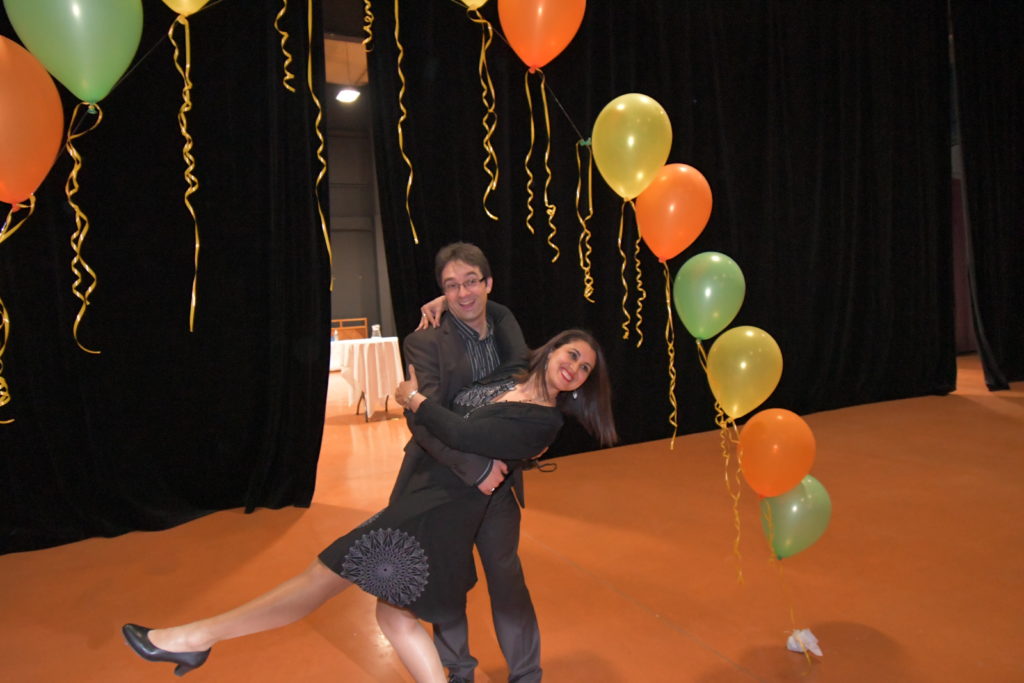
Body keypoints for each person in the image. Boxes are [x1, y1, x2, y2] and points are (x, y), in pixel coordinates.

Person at [121, 329, 617, 682]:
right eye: (572, 354)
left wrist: (414, 399)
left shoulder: (544, 422)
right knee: (394, 617)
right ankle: (193, 640)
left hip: (438, 515)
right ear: (552, 348)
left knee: (319, 579)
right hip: (427, 503)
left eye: (584, 369)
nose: (573, 368)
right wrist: (434, 353)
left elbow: (459, 431)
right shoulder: (508, 378)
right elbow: (449, 419)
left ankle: (193, 639)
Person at [397, 242, 543, 683]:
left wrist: (520, 443)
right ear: (441, 291)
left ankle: (527, 675)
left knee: (507, 580)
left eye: (471, 282)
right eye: (451, 286)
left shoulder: (505, 327)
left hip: (499, 485)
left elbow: (525, 381)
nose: (463, 294)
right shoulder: (423, 342)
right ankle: (458, 672)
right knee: (449, 584)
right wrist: (476, 468)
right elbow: (422, 421)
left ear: (488, 283)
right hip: (443, 481)